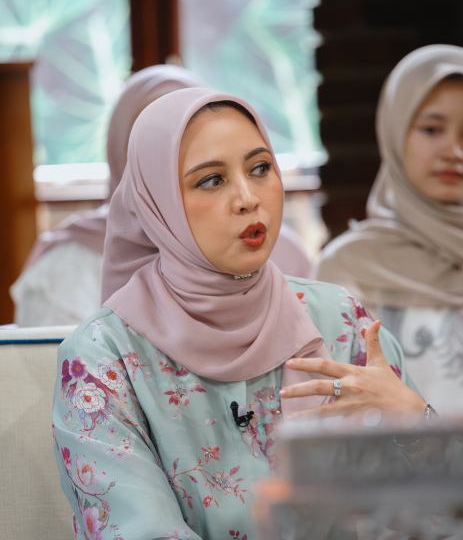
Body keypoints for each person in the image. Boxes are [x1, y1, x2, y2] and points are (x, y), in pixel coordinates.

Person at [51, 88, 427, 540]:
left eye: (260, 168)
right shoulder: (102, 359)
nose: (248, 198)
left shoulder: (343, 321)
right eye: (212, 180)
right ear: (157, 204)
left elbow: (451, 517)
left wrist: (418, 423)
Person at [313, 45, 463, 540]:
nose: (454, 151)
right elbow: (347, 417)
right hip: (406, 517)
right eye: (431, 129)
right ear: (395, 131)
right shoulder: (347, 268)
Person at [11, 65, 209, 327]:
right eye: (153, 140)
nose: (172, 157)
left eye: (192, 140)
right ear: (121, 149)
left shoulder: (249, 248)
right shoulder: (71, 265)